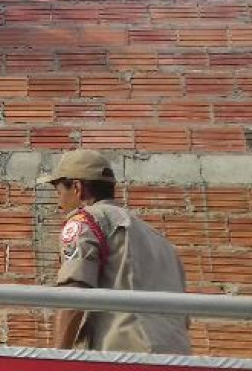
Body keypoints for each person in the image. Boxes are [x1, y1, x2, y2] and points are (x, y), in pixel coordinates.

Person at [38, 149, 191, 355]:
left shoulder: (85, 221)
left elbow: (73, 292)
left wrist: (56, 359)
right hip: (178, 360)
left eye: (59, 192)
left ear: (77, 188)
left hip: (121, 358)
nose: (59, 203)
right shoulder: (159, 240)